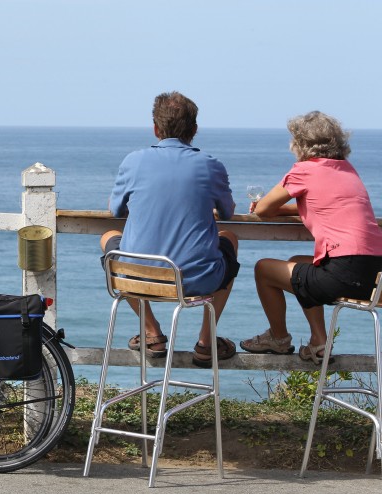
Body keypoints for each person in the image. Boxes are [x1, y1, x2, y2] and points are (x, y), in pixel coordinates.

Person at [102, 91, 240, 368]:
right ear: (195, 130)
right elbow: (227, 213)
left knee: (109, 240)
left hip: (139, 278)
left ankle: (152, 333)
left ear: (155, 128)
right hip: (196, 280)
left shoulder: (133, 161)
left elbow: (115, 210)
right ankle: (206, 342)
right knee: (230, 239)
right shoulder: (211, 165)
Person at [240, 111, 382, 364]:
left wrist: (272, 207)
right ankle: (318, 341)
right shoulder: (348, 170)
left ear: (300, 144)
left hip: (343, 274)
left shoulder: (305, 170)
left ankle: (279, 338)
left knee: (263, 269)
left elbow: (263, 209)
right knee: (298, 261)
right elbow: (323, 204)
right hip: (374, 275)